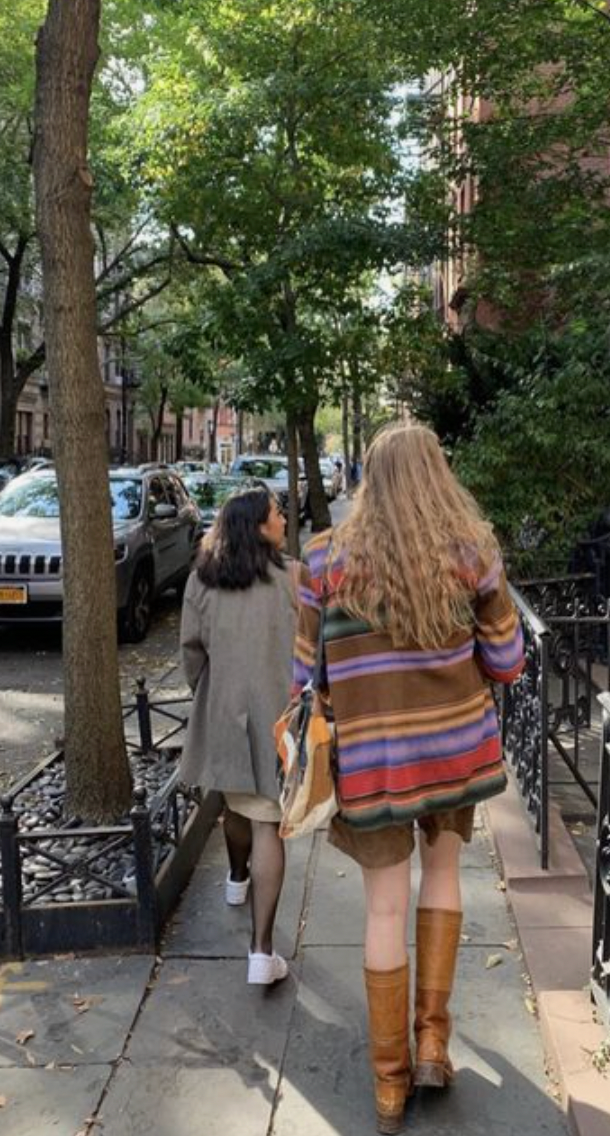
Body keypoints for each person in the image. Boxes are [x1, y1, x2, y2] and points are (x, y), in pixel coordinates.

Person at [293, 422, 524, 1134]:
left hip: (374, 764)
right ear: (437, 474)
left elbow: (305, 678)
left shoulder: (322, 561)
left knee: (384, 911)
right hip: (455, 755)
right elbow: (509, 661)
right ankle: (432, 1044)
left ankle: (389, 1087)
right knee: (446, 882)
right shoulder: (471, 555)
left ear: (368, 478)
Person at [179, 486, 297, 985]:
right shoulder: (293, 578)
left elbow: (191, 651)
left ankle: (235, 880)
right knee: (268, 820)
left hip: (225, 710)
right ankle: (261, 952)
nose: (285, 519)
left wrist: (208, 691)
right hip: (279, 715)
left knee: (235, 805)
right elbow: (315, 646)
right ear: (258, 526)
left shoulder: (202, 581)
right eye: (277, 514)